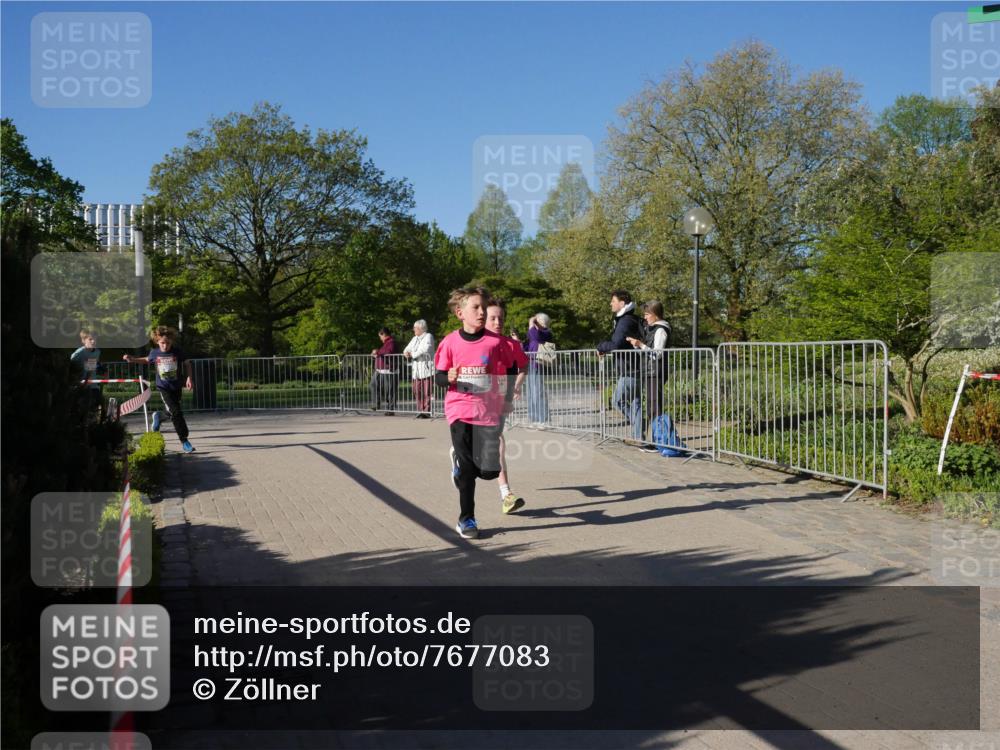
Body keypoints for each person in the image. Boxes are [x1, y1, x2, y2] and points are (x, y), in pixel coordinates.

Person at [434, 287, 518, 539]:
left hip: (488, 412)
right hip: (459, 410)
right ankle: (466, 519)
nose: (482, 312)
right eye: (476, 308)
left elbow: (511, 368)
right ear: (460, 313)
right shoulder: (450, 342)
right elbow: (438, 376)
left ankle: (460, 467)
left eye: (484, 307)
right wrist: (447, 377)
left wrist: (507, 397)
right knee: (470, 469)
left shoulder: (495, 343)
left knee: (489, 471)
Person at [123, 326, 195, 453]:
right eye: (162, 343)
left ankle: (158, 416)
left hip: (176, 386)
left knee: (171, 412)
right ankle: (184, 441)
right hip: (163, 387)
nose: (165, 346)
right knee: (176, 412)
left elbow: (187, 363)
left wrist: (189, 378)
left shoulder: (177, 352)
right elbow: (147, 359)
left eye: (168, 343)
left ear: (171, 341)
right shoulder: (155, 352)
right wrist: (133, 359)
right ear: (157, 341)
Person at [485, 298, 527, 514]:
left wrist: (515, 388)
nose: (497, 322)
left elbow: (523, 367)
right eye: (492, 318)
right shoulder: (475, 341)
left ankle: (506, 495)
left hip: (499, 398)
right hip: (474, 399)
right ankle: (458, 452)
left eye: (500, 318)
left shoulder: (511, 344)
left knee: (497, 441)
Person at [596, 290, 643, 440]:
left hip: (630, 368)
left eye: (613, 301)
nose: (611, 303)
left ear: (622, 304)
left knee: (617, 400)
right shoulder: (631, 319)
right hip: (635, 366)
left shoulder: (625, 321)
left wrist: (601, 346)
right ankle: (638, 437)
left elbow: (616, 344)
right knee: (636, 403)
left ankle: (640, 424)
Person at [627, 300, 672, 452]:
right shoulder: (653, 329)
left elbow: (657, 354)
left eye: (647, 314)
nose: (645, 317)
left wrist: (641, 345)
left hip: (656, 372)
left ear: (654, 314)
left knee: (654, 407)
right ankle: (657, 439)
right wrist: (638, 345)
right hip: (651, 371)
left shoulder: (661, 330)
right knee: (652, 406)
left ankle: (657, 441)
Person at [521, 312, 553, 426]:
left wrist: (531, 324)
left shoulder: (545, 333)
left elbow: (534, 336)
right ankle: (533, 418)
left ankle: (544, 419)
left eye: (536, 322)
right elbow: (527, 346)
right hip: (530, 364)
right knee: (530, 392)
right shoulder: (535, 333)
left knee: (538, 392)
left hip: (538, 364)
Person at [403, 320, 436, 418]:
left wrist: (412, 354)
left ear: (421, 328)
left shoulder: (428, 336)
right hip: (416, 370)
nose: (414, 329)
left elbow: (425, 349)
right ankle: (420, 410)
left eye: (415, 328)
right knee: (416, 390)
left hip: (426, 368)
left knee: (427, 392)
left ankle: (426, 411)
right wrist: (406, 353)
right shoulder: (414, 338)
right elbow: (406, 349)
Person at [71, 329, 104, 419]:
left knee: (97, 406)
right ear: (83, 340)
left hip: (92, 385)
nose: (93, 341)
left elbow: (90, 368)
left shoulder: (97, 352)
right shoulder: (78, 354)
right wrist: (80, 383)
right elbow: (70, 369)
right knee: (82, 411)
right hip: (80, 386)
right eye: (90, 339)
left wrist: (88, 380)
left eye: (95, 339)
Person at [370, 327, 398, 416]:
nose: (380, 338)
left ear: (384, 334)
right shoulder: (386, 343)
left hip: (389, 370)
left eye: (380, 336)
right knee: (373, 384)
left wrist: (377, 352)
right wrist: (377, 355)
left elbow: (388, 352)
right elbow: (383, 352)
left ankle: (390, 409)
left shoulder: (391, 342)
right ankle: (376, 404)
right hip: (380, 370)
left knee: (389, 390)